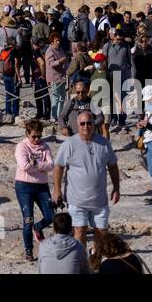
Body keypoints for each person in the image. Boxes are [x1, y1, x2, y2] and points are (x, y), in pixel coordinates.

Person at [51, 109, 120, 241]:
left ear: (94, 124)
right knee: (79, 231)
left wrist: (116, 188)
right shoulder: (69, 144)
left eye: (89, 123)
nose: (86, 126)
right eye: (82, 124)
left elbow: (112, 166)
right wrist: (57, 190)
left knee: (101, 234)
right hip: (77, 200)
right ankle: (81, 261)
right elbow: (58, 167)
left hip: (99, 200)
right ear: (77, 125)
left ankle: (96, 260)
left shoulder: (104, 143)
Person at [14, 119, 56, 261]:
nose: (37, 139)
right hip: (24, 186)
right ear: (27, 134)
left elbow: (51, 165)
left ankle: (38, 228)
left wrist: (36, 164)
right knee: (28, 219)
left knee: (51, 216)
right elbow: (24, 166)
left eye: (39, 136)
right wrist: (41, 166)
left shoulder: (45, 147)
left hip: (42, 186)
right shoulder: (22, 147)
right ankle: (29, 250)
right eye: (34, 136)